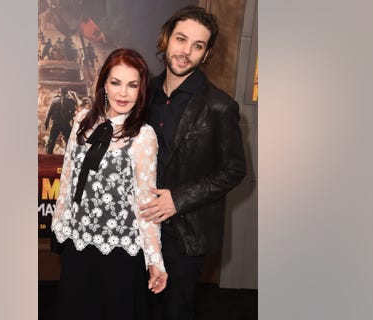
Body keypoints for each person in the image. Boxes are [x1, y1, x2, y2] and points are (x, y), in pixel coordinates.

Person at [139, 6, 247, 320]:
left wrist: (179, 199)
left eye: (197, 46)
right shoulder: (142, 95)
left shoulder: (219, 106)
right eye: (181, 39)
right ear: (166, 39)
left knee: (174, 312)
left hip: (185, 234)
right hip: (139, 227)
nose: (186, 51)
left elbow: (234, 170)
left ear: (207, 53)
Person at [51, 48, 168, 320]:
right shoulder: (83, 120)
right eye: (116, 82)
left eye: (132, 85)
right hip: (78, 245)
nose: (123, 93)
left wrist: (154, 259)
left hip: (119, 253)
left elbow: (145, 202)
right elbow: (67, 176)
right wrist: (60, 227)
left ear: (141, 90)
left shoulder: (143, 136)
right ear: (104, 83)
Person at [44, 87, 76, 154]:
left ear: (60, 91)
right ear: (67, 92)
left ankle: (67, 154)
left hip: (61, 123)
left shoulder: (56, 100)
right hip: (61, 123)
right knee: (53, 140)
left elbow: (49, 111)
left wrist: (46, 122)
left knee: (55, 140)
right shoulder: (67, 101)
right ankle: (49, 154)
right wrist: (46, 121)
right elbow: (73, 113)